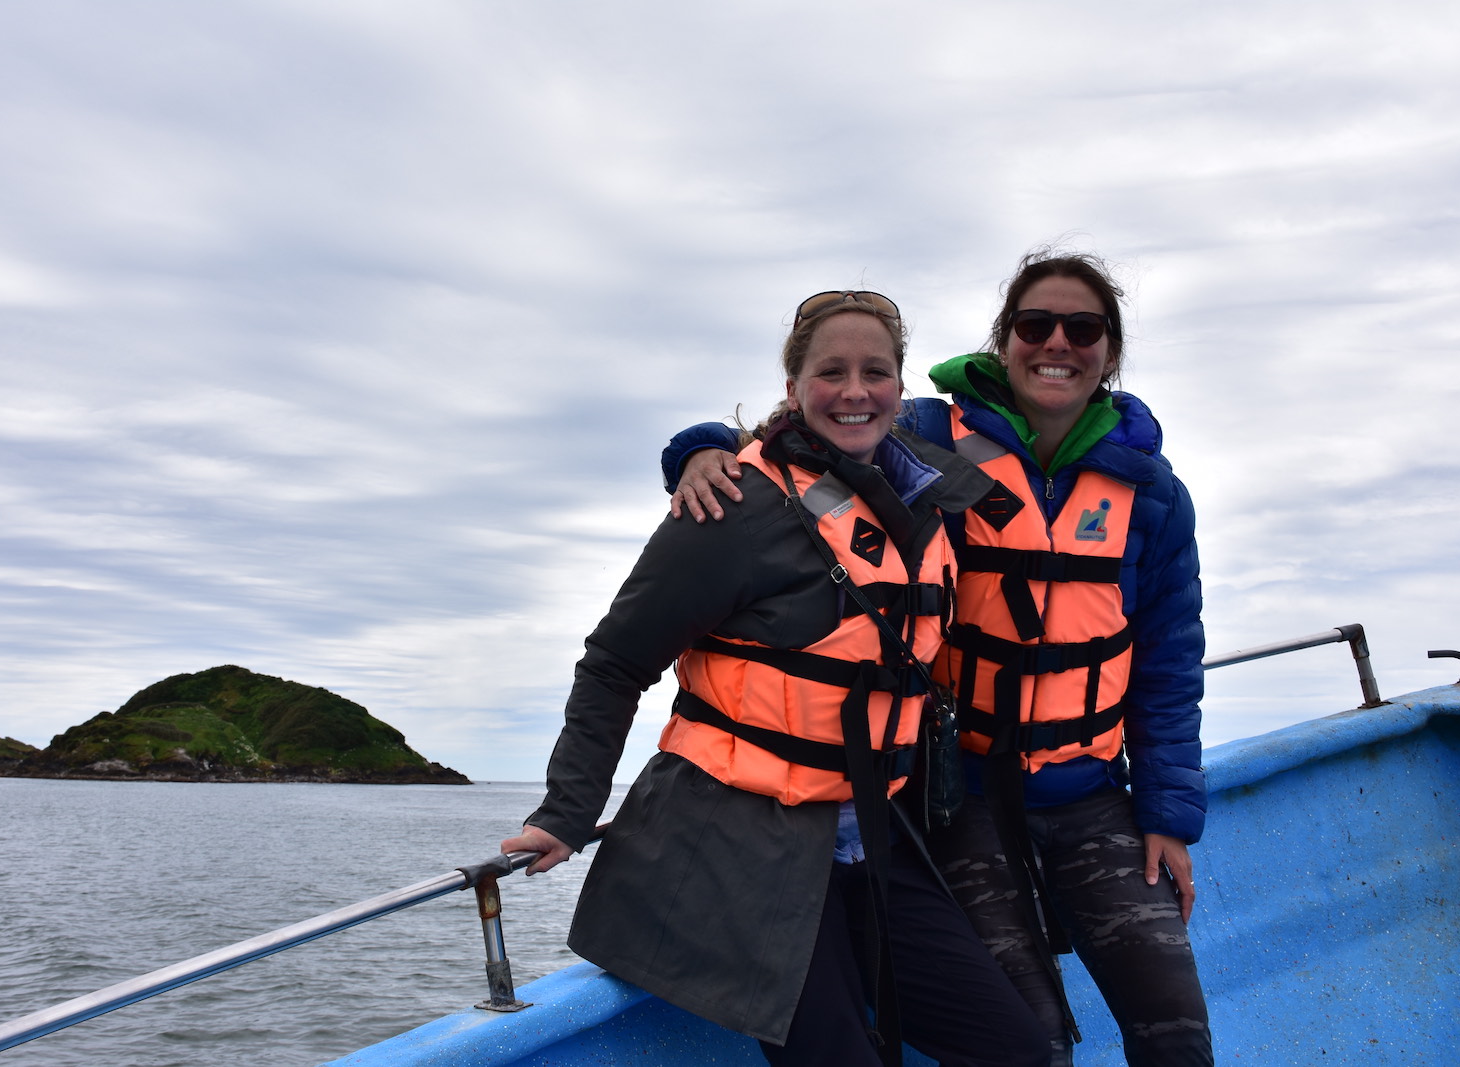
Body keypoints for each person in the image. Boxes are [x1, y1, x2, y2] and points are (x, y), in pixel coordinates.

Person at [664, 252, 1213, 1066]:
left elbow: (1171, 664)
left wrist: (1168, 815)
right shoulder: (925, 432)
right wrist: (700, 450)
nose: (1056, 343)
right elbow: (799, 431)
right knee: (1032, 1040)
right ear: (1005, 340)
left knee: (1177, 1028)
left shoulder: (1155, 493)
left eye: (1082, 327)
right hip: (961, 795)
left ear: (1109, 349)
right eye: (1035, 325)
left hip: (1092, 795)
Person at [502, 291, 1047, 1067]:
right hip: (744, 844)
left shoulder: (923, 484)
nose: (855, 390)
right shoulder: (731, 504)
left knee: (1017, 1049)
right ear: (792, 387)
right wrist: (568, 809)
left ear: (900, 389)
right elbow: (615, 662)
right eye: (831, 372)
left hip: (873, 835)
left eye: (876, 372)